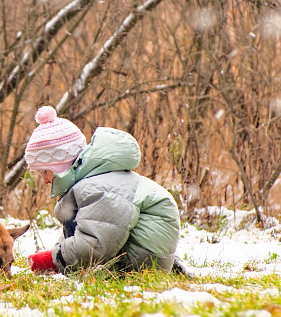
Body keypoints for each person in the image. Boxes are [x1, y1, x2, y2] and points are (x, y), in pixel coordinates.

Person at [24, 106, 180, 275]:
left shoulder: (100, 188)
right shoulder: (93, 182)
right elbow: (85, 230)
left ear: (62, 165)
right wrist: (57, 252)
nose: (45, 180)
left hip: (140, 260)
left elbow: (94, 244)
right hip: (135, 253)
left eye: (45, 172)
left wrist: (52, 260)